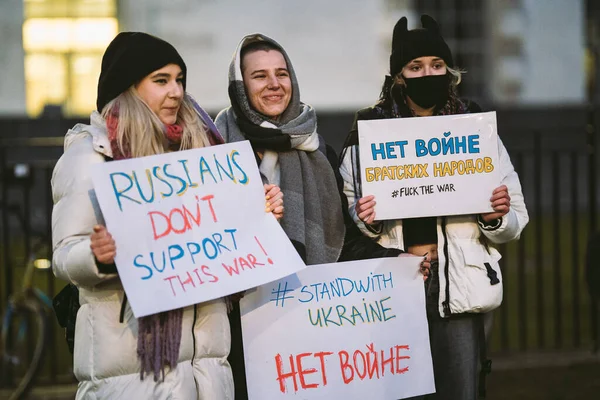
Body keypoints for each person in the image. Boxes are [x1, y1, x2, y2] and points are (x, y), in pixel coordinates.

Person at [51, 32, 282, 399]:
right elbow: (64, 257)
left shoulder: (200, 157)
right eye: (161, 81)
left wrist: (260, 216)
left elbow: (229, 254)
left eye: (179, 79)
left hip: (207, 374)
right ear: (127, 87)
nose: (176, 91)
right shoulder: (90, 159)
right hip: (132, 375)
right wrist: (97, 257)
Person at [339, 15, 529, 400]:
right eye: (416, 66)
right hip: (394, 288)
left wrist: (496, 218)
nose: (428, 73)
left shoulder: (475, 132)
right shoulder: (366, 138)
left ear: (450, 71)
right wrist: (366, 221)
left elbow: (516, 219)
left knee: (461, 390)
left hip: (460, 290)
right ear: (399, 77)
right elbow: (347, 221)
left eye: (437, 65)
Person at [215, 33, 412, 399]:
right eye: (259, 76)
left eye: (282, 73)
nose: (275, 84)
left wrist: (395, 263)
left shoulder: (318, 150)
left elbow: (342, 243)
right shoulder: (214, 153)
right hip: (242, 332)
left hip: (307, 331)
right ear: (240, 87)